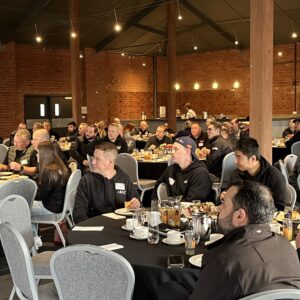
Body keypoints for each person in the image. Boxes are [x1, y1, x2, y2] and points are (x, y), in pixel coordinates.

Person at [158, 182, 300, 300]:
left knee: (168, 288)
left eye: (224, 205)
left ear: (239, 216)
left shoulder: (223, 260)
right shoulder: (287, 246)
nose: (218, 208)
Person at [73, 142, 140, 224]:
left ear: (110, 162)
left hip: (120, 227)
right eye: (93, 157)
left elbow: (136, 203)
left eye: (98, 159)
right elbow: (79, 215)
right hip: (95, 228)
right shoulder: (86, 181)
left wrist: (136, 204)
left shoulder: (124, 179)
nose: (93, 162)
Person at [224, 137, 289, 211]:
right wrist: (226, 197)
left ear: (253, 159)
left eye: (239, 157)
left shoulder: (274, 177)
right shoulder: (237, 174)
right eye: (235, 157)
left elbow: (280, 208)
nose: (235, 161)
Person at [152, 136, 212, 201]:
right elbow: (156, 189)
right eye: (172, 149)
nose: (172, 152)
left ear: (187, 151)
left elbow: (192, 203)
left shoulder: (200, 174)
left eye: (176, 149)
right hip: (172, 209)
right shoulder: (171, 169)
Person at [31, 141, 70, 238]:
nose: (36, 155)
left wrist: (27, 194)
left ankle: (33, 239)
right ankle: (34, 236)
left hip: (50, 207)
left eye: (38, 153)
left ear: (44, 154)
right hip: (60, 206)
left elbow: (41, 196)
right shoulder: (61, 167)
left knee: (21, 208)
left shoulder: (48, 171)